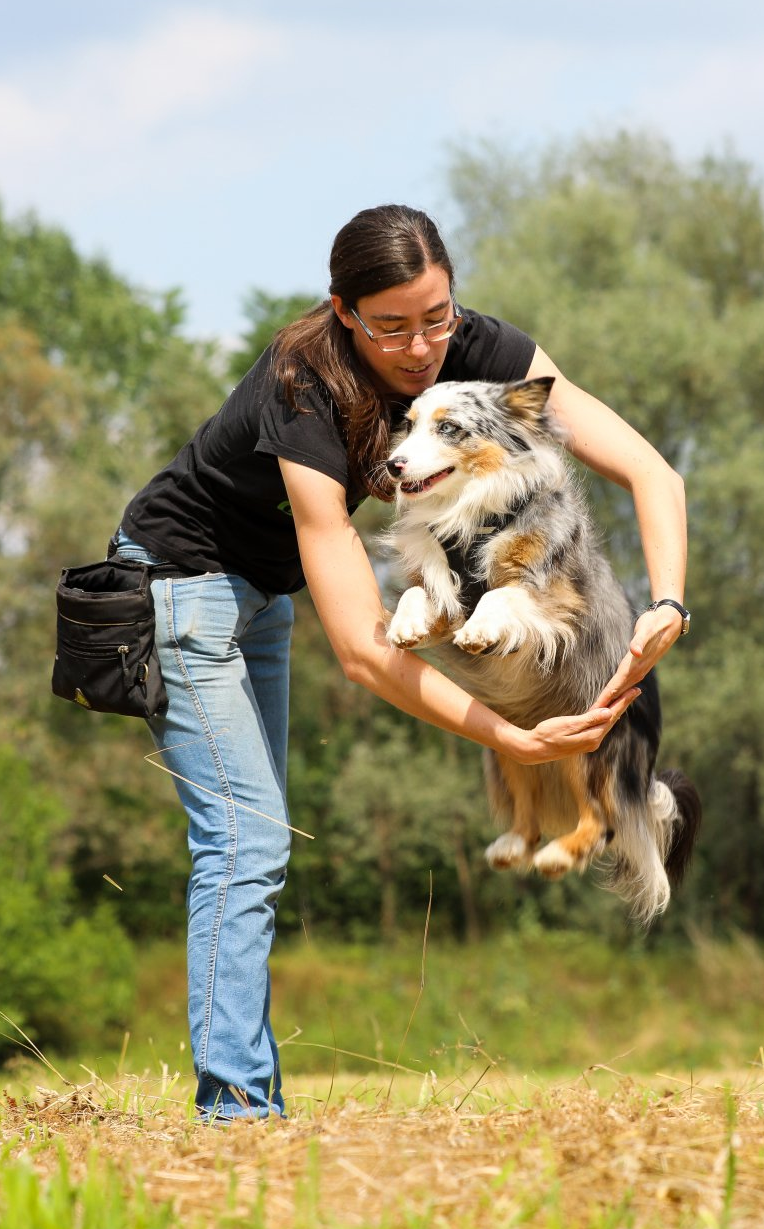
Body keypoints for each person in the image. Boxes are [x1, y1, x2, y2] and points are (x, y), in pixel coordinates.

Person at [112, 204, 688, 1122]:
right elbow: (362, 651)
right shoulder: (302, 385)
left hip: (264, 592)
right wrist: (516, 739)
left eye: (438, 318)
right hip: (185, 580)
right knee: (245, 839)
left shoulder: (483, 351)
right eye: (391, 326)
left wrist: (668, 600)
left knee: (253, 837)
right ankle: (236, 1108)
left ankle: (243, 1094)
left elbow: (656, 474)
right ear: (343, 310)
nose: (422, 347)